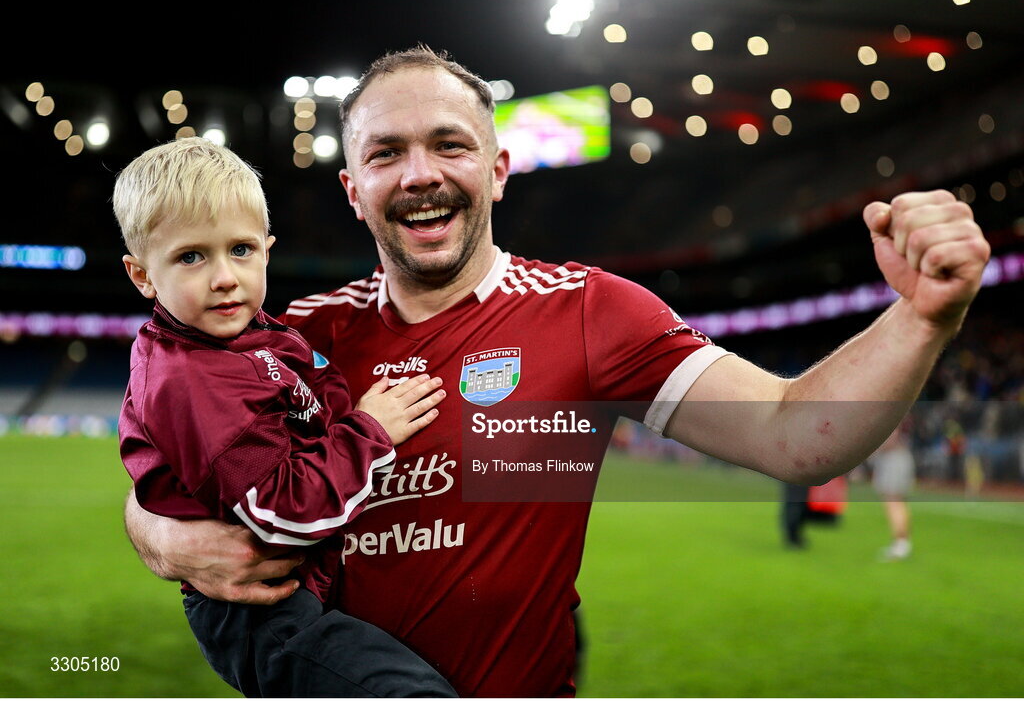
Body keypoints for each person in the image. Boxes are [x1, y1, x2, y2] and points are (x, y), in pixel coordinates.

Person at [122, 46, 991, 697]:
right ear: (354, 189)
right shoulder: (293, 339)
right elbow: (168, 458)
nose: (420, 174)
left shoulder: (590, 311)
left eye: (449, 145)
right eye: (386, 153)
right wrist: (162, 537)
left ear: (497, 171)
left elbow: (793, 433)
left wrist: (922, 317)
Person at [113, 137, 456, 697]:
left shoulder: (262, 337)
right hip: (265, 613)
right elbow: (279, 510)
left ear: (268, 250)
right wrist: (371, 430)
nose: (224, 276)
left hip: (307, 589)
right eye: (191, 256)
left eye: (241, 250)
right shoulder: (192, 378)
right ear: (142, 276)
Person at [870, 421, 915, 561]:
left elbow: (891, 438)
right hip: (896, 458)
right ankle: (901, 542)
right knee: (896, 502)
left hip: (894, 459)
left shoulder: (892, 409)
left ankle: (901, 543)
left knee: (894, 502)